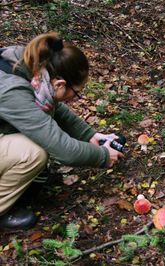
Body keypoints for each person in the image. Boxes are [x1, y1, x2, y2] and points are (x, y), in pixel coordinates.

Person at [0, 32, 124, 230]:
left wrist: (89, 135)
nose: (74, 99)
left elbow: (55, 111)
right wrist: (102, 156)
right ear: (59, 84)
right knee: (32, 153)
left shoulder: (30, 65)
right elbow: (62, 149)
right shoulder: (11, 90)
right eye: (76, 94)